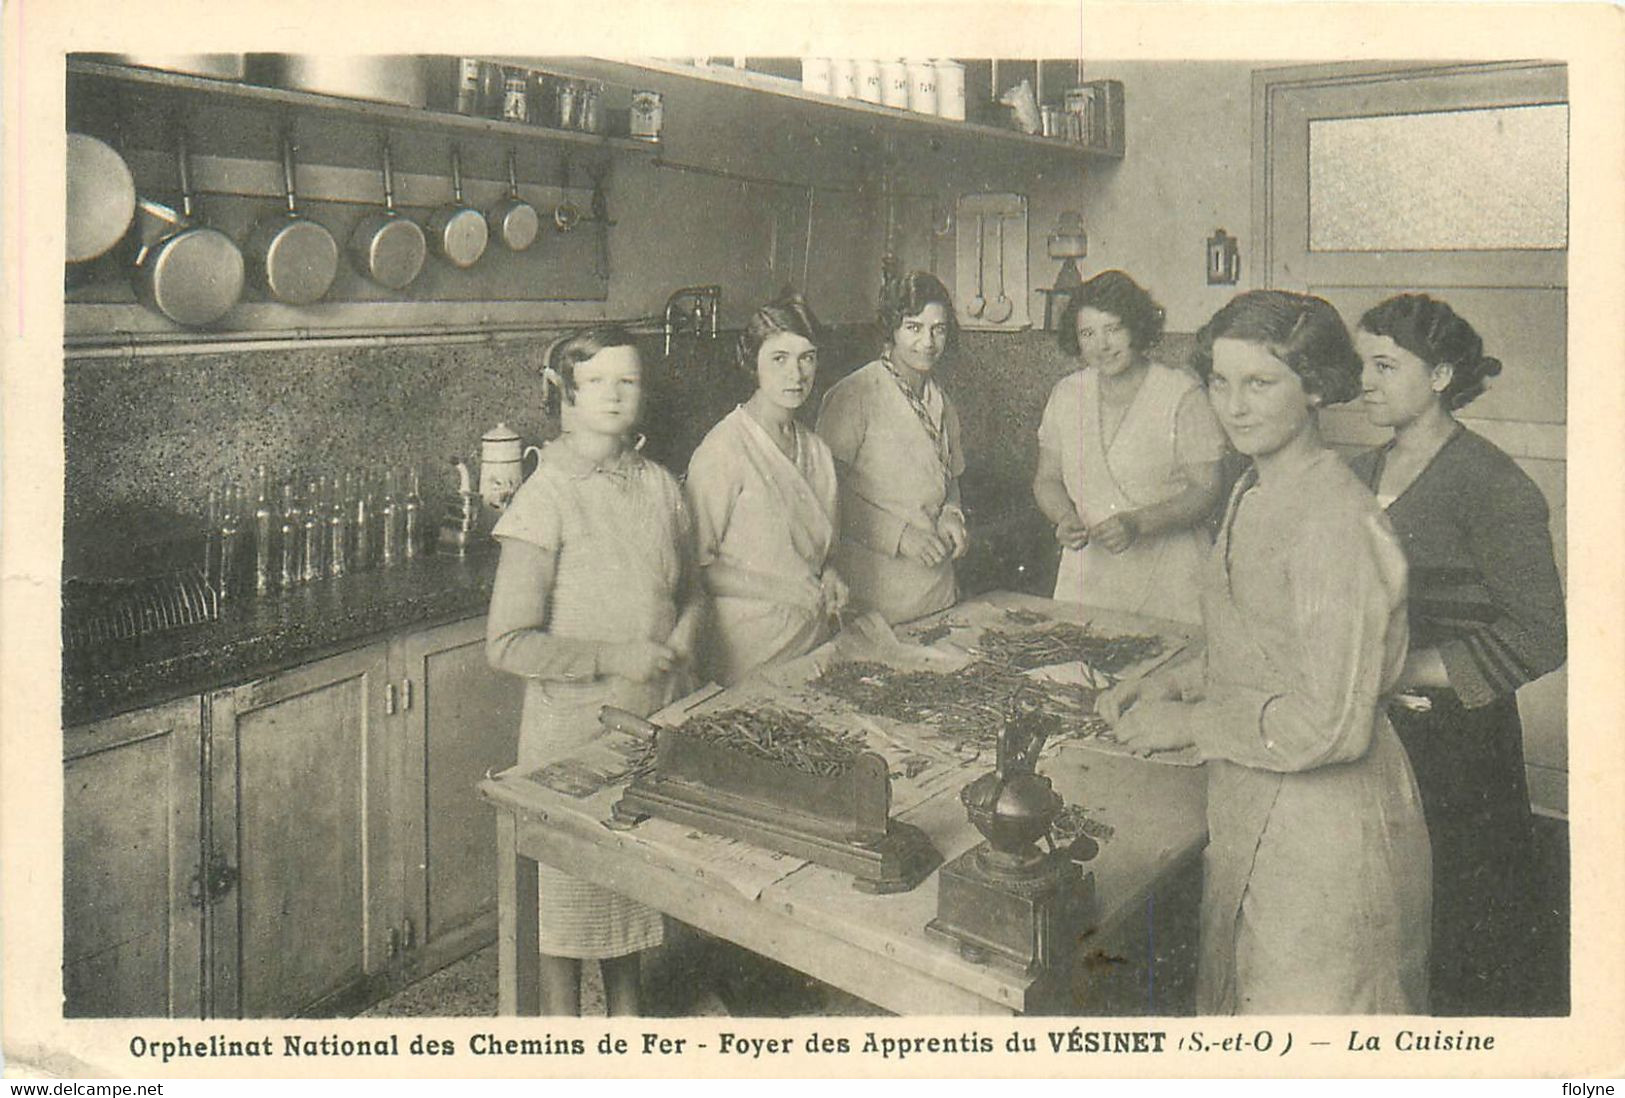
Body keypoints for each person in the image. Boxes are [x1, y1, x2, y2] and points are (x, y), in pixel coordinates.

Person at [1099, 290, 1431, 1013]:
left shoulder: (1333, 520)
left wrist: (1189, 724)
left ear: (1314, 387)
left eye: (1260, 383)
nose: (1233, 406)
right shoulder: (1256, 488)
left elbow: (1332, 725)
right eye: (1219, 382)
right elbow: (1266, 643)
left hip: (1329, 828)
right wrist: (1176, 685)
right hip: (1261, 795)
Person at [1350, 293, 1566, 1016]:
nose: (1366, 382)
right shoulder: (1358, 471)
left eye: (1385, 366)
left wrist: (1400, 670)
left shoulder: (1491, 484)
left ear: (1440, 374)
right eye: (1361, 365)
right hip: (1367, 732)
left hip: (1457, 748)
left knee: (1457, 933)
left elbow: (1539, 635)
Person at [485, 327, 702, 1015]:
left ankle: (627, 1036)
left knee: (629, 913)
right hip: (572, 744)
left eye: (628, 381)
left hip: (648, 727)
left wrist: (685, 632)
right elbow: (508, 644)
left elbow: (692, 588)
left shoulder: (661, 485)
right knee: (570, 915)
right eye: (599, 381)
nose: (615, 394)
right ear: (565, 395)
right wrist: (615, 655)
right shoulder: (544, 498)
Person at [1032, 270, 1227, 623]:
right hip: (1089, 576)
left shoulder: (1180, 393)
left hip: (1170, 579)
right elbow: (1046, 479)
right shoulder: (1067, 394)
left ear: (1137, 327)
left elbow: (1208, 489)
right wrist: (1063, 517)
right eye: (1088, 333)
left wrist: (1139, 523)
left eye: (1114, 329)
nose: (1101, 345)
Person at [686, 293, 846, 685]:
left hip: (812, 642)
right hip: (749, 652)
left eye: (806, 357)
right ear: (752, 363)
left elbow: (821, 554)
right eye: (779, 358)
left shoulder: (817, 451)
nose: (796, 374)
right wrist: (784, 589)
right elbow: (695, 570)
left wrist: (831, 575)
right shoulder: (724, 449)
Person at [816, 270, 967, 624]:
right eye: (914, 327)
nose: (928, 342)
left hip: (936, 591)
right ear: (891, 330)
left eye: (938, 329)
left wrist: (952, 515)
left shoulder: (942, 402)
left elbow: (951, 481)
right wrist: (900, 537)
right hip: (875, 595)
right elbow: (825, 495)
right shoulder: (855, 395)